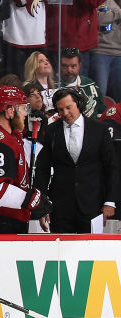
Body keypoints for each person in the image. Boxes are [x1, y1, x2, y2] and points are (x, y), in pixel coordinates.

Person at [35, 87, 118, 234]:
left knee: (92, 253)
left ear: (78, 104)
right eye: (60, 110)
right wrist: (41, 207)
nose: (65, 113)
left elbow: (111, 167)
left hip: (93, 205)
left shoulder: (99, 129)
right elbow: (42, 169)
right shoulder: (51, 131)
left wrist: (110, 201)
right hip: (60, 208)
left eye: (69, 107)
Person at [0, 85, 49, 234]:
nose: (25, 114)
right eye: (22, 109)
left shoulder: (12, 136)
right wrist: (30, 199)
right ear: (10, 111)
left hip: (13, 218)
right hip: (3, 221)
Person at [59, 48, 106, 118]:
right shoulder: (54, 87)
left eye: (73, 66)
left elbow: (102, 111)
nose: (69, 70)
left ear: (79, 66)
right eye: (65, 66)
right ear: (59, 66)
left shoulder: (89, 83)